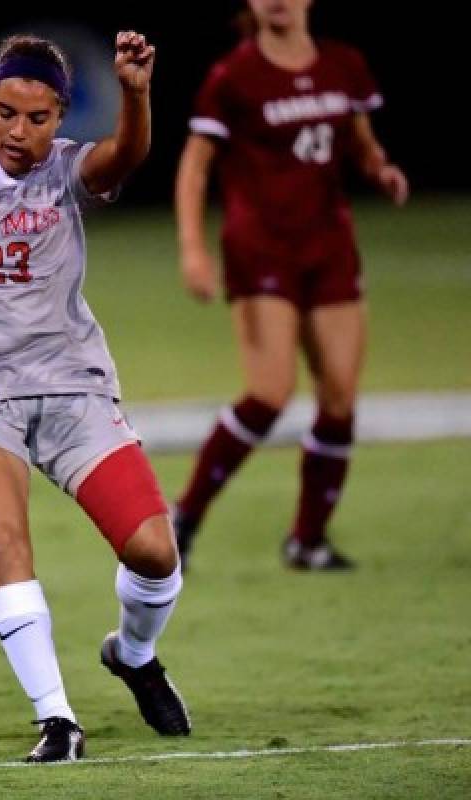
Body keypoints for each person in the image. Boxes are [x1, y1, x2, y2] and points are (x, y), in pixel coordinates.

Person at [0, 31, 191, 763]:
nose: (20, 133)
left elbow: (125, 158)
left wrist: (138, 94)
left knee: (152, 551)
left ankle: (135, 656)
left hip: (69, 379)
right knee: (1, 539)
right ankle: (57, 719)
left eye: (39, 118)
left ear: (61, 115)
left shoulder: (65, 168)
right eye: (6, 112)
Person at [172, 0, 409, 571]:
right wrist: (193, 249)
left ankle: (308, 540)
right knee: (269, 394)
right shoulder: (234, 76)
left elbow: (358, 139)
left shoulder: (343, 65)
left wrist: (380, 167)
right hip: (260, 250)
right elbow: (195, 166)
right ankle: (186, 516)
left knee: (339, 401)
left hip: (328, 248)